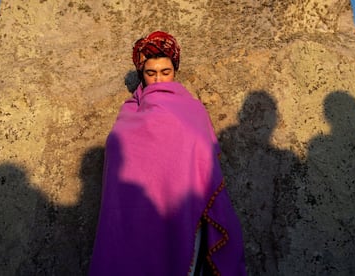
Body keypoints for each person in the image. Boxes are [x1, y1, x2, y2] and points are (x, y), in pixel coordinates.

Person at [89, 31, 246, 275]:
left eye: (166, 72)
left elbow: (203, 156)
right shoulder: (129, 112)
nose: (159, 80)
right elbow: (118, 167)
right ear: (142, 75)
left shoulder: (192, 109)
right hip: (134, 216)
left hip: (183, 211)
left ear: (174, 72)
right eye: (151, 73)